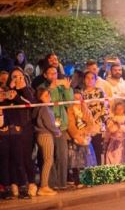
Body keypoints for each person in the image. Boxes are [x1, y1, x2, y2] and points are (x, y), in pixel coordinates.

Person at [2, 68, 37, 198]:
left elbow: (31, 104)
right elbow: (5, 106)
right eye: (14, 76)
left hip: (25, 128)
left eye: (20, 76)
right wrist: (9, 92)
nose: (17, 79)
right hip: (11, 129)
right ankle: (16, 185)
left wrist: (19, 92)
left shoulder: (28, 90)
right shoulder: (7, 90)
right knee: (14, 158)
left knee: (26, 156)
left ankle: (31, 184)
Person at [38, 66, 73, 190]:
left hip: (61, 125)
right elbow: (47, 102)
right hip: (48, 127)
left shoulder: (62, 86)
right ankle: (51, 183)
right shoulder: (42, 88)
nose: (54, 76)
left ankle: (62, 183)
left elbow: (69, 104)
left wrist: (68, 89)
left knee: (63, 155)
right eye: (51, 73)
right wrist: (51, 89)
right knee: (50, 157)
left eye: (55, 73)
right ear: (45, 75)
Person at [34, 88, 61, 196]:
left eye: (49, 95)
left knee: (47, 160)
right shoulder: (44, 108)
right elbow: (49, 123)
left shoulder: (42, 108)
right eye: (45, 96)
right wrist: (56, 131)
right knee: (48, 160)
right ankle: (43, 186)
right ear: (40, 97)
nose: (48, 97)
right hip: (45, 135)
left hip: (43, 135)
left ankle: (44, 185)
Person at [67, 90, 96, 187]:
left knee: (86, 160)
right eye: (75, 98)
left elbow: (91, 123)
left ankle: (87, 180)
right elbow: (70, 124)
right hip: (76, 139)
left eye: (79, 98)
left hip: (86, 138)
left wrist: (86, 133)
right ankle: (78, 181)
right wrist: (76, 135)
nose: (77, 100)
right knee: (76, 161)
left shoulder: (86, 109)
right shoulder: (69, 110)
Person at [82, 72, 108, 166]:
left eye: (92, 78)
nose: (89, 80)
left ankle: (99, 171)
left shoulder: (100, 92)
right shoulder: (81, 93)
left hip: (98, 127)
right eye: (87, 78)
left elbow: (105, 109)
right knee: (87, 151)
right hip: (85, 127)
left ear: (95, 80)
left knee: (98, 150)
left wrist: (98, 123)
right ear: (84, 80)